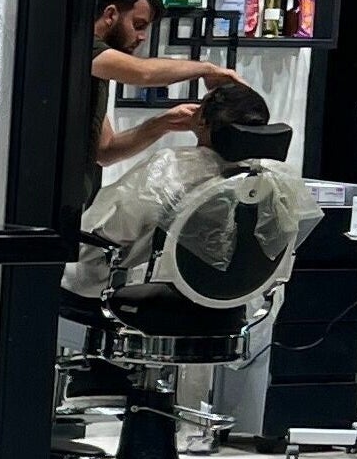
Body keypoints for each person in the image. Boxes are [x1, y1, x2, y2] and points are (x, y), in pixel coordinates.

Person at [65, 83, 316, 300]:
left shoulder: (168, 171)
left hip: (146, 297)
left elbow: (103, 234)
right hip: (228, 304)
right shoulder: (273, 183)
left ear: (202, 121)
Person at [85, 0, 244, 197]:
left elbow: (105, 151)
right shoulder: (84, 50)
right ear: (110, 14)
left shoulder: (99, 70)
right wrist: (207, 69)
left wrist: (163, 123)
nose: (142, 37)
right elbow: (144, 73)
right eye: (138, 25)